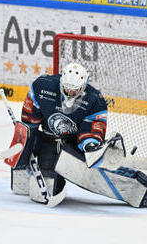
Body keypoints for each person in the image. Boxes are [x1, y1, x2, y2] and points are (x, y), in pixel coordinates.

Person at [10, 63, 108, 204]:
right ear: (61, 81)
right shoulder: (42, 87)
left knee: (53, 183)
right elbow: (30, 120)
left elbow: (91, 129)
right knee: (24, 147)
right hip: (48, 138)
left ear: (83, 86)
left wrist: (90, 144)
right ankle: (23, 168)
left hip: (72, 144)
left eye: (74, 90)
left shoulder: (94, 99)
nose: (69, 92)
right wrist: (27, 141)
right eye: (67, 88)